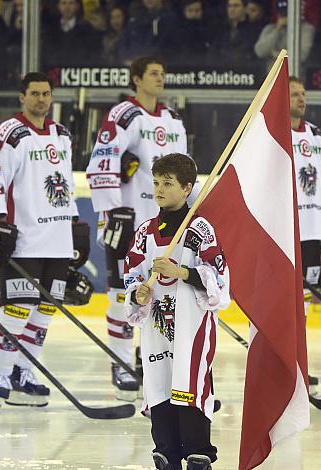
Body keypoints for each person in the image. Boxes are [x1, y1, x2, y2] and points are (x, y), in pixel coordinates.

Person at [0, 72, 88, 408]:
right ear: (21, 97)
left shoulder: (62, 134)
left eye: (47, 93)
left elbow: (65, 182)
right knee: (16, 308)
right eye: (35, 93)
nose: (42, 99)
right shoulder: (9, 133)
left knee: (45, 310)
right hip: (24, 237)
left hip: (56, 238)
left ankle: (24, 372)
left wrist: (74, 224)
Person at [86, 56, 191, 401]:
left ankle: (149, 361)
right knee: (122, 291)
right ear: (136, 79)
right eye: (153, 73)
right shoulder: (123, 114)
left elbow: (184, 171)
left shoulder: (173, 118)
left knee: (162, 292)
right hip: (129, 219)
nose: (161, 78)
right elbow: (101, 160)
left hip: (165, 223)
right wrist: (114, 208)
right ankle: (119, 361)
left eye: (163, 72)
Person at [124, 153, 229, 470]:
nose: (159, 189)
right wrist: (138, 292)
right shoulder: (145, 232)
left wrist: (181, 271)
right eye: (156, 182)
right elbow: (131, 274)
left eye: (167, 183)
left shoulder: (199, 230)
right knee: (159, 384)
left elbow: (220, 280)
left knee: (189, 384)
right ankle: (166, 450)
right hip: (157, 330)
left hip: (191, 328)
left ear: (187, 188)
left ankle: (198, 451)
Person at [289, 76, 321, 385]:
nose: (301, 98)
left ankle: (297, 364)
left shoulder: (318, 137)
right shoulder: (270, 134)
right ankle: (276, 362)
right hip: (279, 232)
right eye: (294, 94)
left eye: (303, 93)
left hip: (309, 232)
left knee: (304, 300)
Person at [254, 0, 314, 72]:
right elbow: (259, 52)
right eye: (281, 14)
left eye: (286, 14)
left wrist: (275, 54)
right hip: (271, 76)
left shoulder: (306, 29)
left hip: (294, 77)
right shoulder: (270, 29)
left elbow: (301, 55)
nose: (283, 18)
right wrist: (277, 30)